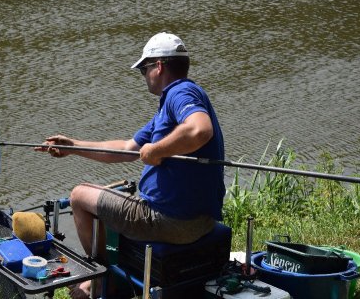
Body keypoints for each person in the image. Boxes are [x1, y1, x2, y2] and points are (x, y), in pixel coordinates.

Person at [36, 32, 225, 298]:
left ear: (158, 66)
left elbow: (200, 130)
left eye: (144, 69)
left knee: (79, 196)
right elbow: (126, 149)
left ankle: (102, 282)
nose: (143, 76)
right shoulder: (167, 111)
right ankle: (113, 273)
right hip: (199, 220)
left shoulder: (180, 92)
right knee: (107, 197)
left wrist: (157, 150)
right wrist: (73, 146)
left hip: (168, 220)